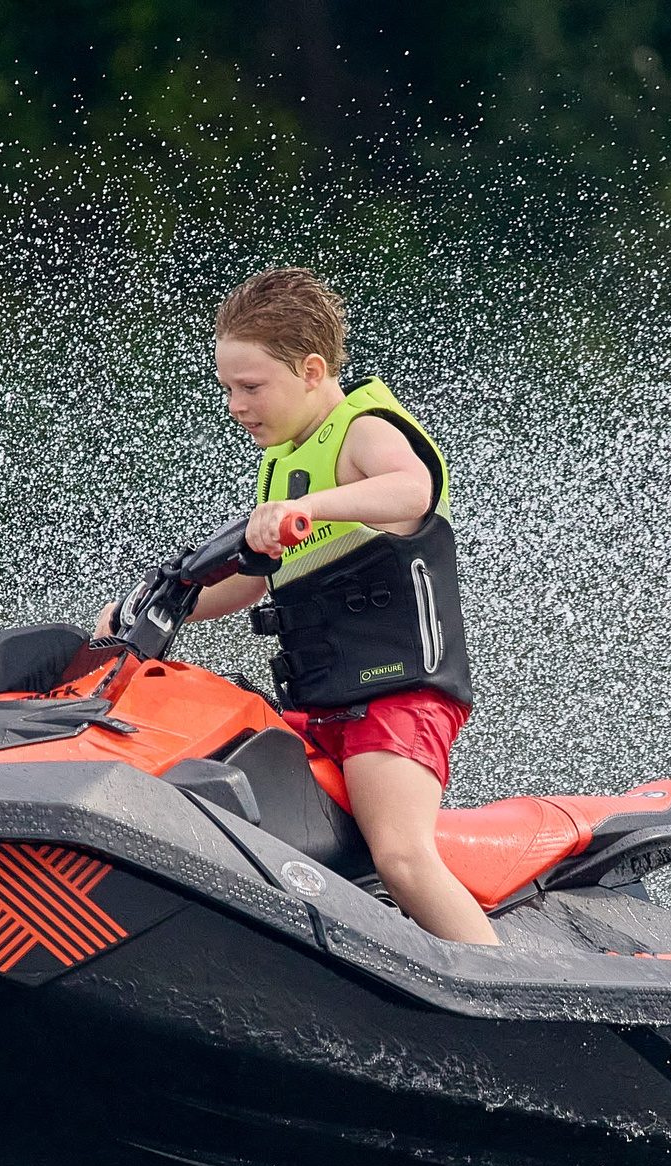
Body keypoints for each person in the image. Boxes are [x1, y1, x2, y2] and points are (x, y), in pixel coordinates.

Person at [100, 267, 497, 946]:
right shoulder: (282, 462)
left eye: (251, 387)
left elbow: (412, 491)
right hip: (318, 708)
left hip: (398, 702)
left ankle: (501, 993)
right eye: (226, 389)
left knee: (399, 856)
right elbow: (252, 583)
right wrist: (158, 613)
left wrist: (304, 509)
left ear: (312, 371)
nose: (236, 404)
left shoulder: (363, 429)